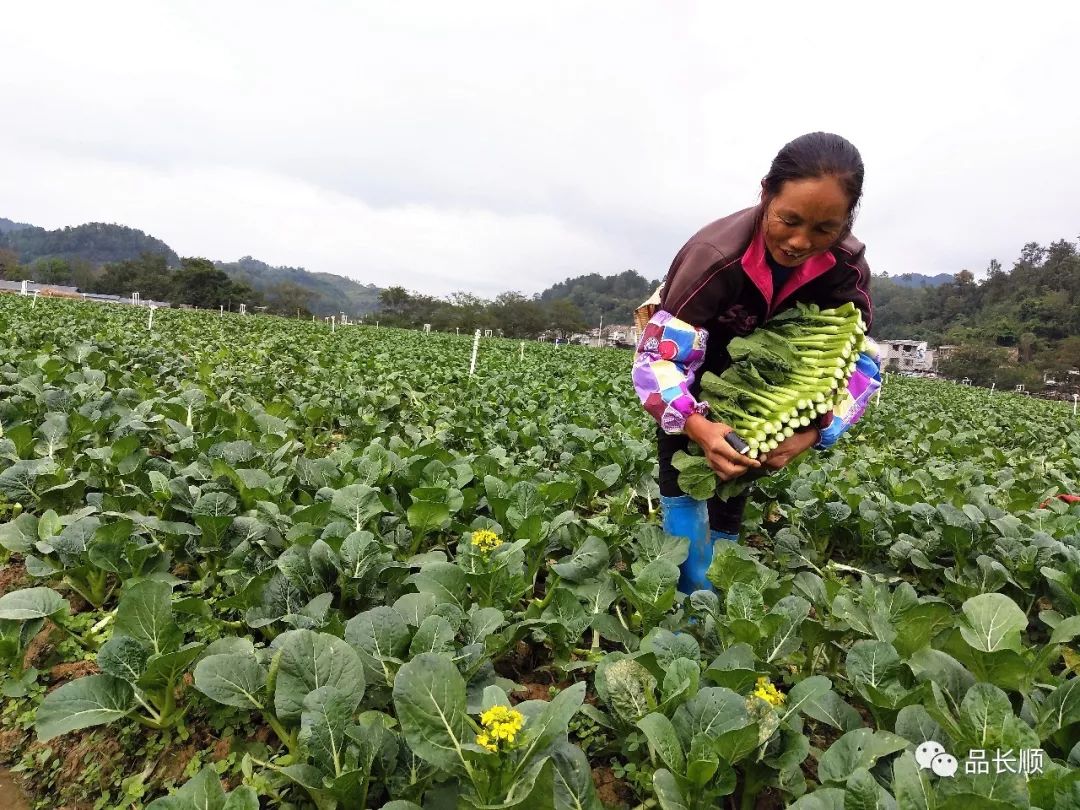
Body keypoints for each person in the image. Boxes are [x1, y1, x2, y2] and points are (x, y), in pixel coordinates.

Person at [632, 132, 879, 593]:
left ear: (847, 222)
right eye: (789, 220)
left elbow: (860, 367)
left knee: (735, 482)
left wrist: (812, 432)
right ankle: (687, 601)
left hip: (770, 391)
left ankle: (715, 590)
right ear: (766, 193)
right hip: (695, 377)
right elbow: (657, 361)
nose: (800, 241)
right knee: (685, 474)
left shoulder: (848, 270)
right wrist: (696, 425)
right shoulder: (714, 257)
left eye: (826, 229)